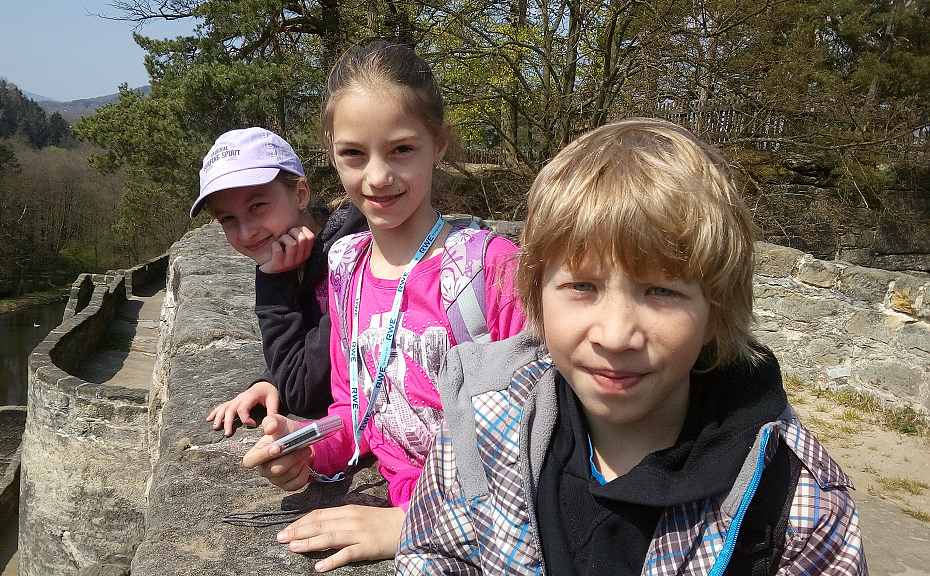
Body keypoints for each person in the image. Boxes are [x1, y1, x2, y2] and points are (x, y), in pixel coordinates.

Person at [396, 118, 867, 575]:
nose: (616, 335)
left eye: (661, 291)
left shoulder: (796, 502)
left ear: (715, 312)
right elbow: (434, 553)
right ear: (536, 296)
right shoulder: (480, 421)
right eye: (582, 286)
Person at [242, 40, 525, 572]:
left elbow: (536, 443)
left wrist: (411, 524)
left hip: (474, 520)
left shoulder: (490, 271)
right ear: (331, 151)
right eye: (354, 154)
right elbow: (357, 410)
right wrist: (306, 446)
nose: (376, 177)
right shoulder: (346, 267)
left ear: (439, 143)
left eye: (401, 150)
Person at [191, 127, 368, 432]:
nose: (247, 232)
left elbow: (302, 391)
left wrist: (273, 285)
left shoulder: (356, 257)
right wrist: (270, 379)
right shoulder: (298, 253)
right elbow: (313, 346)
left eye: (257, 206)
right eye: (228, 218)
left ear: (300, 194)